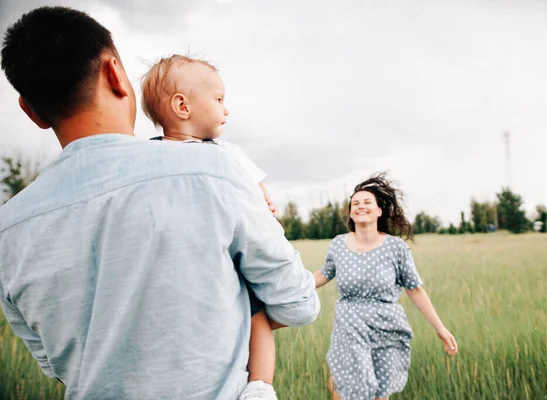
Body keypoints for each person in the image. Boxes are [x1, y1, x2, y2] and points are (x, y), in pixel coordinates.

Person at [0, 6, 320, 400]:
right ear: (114, 74)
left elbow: (53, 364)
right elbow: (298, 304)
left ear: (31, 112)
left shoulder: (7, 232)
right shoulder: (214, 170)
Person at [140, 54, 279, 399]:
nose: (225, 109)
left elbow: (258, 194)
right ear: (182, 106)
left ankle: (259, 386)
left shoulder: (227, 153)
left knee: (255, 316)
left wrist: (266, 203)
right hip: (185, 257)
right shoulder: (148, 158)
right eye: (218, 100)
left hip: (225, 250)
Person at [314, 173, 457, 400]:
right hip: (349, 323)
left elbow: (415, 289)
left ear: (379, 211)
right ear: (351, 212)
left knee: (381, 391)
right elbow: (323, 274)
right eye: (355, 203)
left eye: (367, 202)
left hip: (387, 325)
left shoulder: (395, 248)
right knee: (341, 385)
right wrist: (289, 287)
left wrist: (440, 328)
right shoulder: (338, 244)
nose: (361, 206)